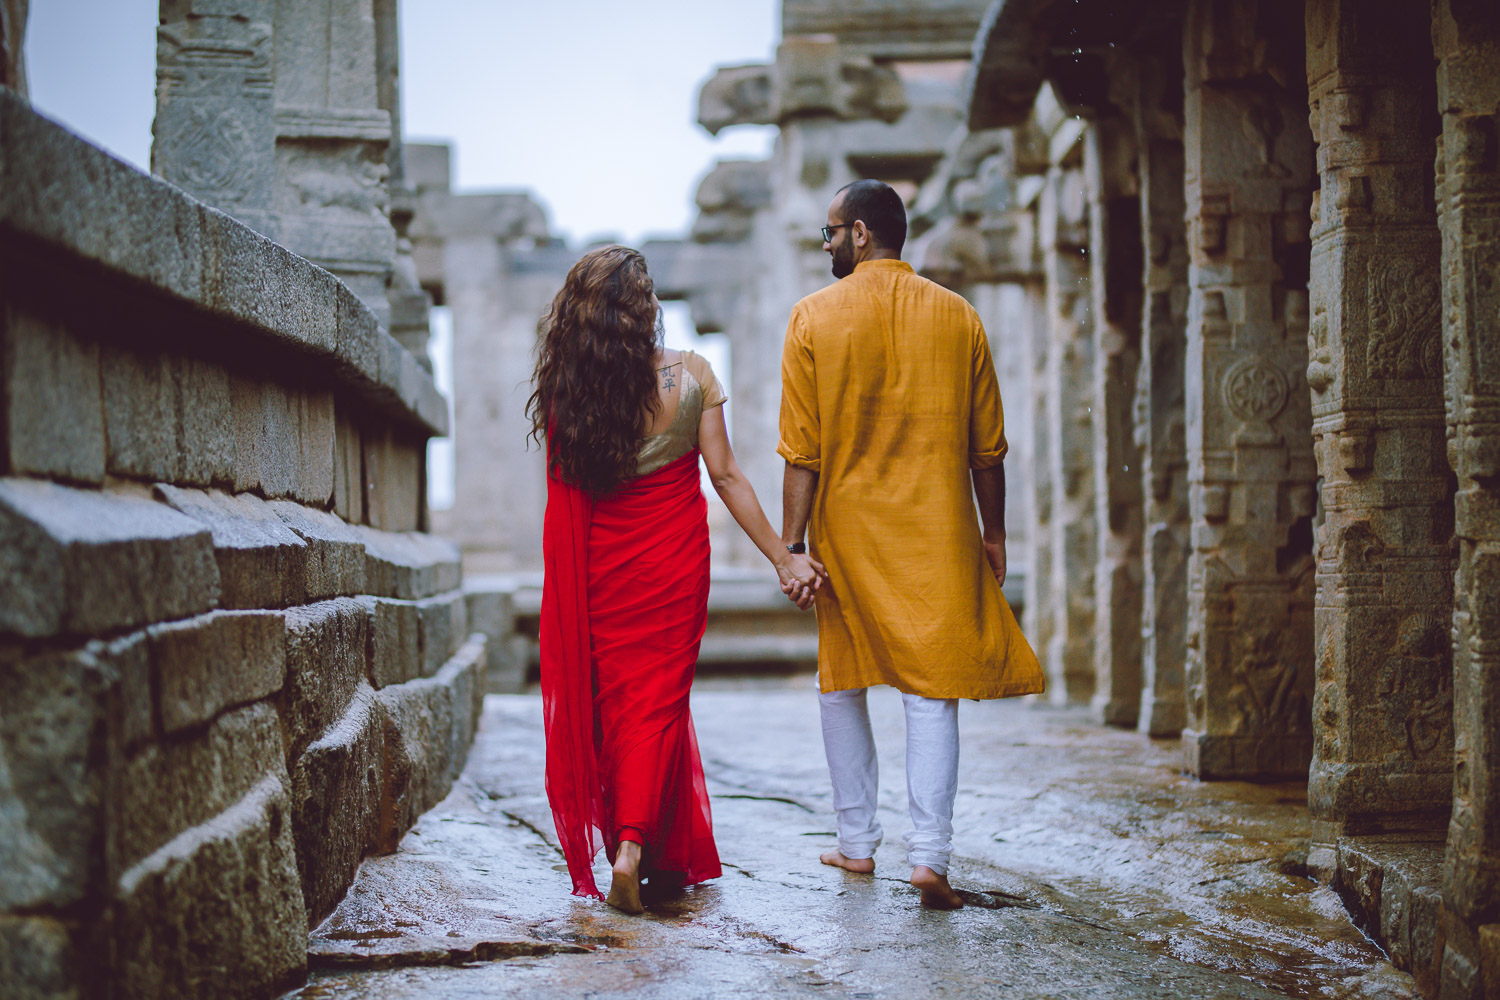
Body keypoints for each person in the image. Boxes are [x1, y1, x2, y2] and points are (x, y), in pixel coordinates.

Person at [529, 245, 824, 915]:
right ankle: (633, 848)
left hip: (602, 569)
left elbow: (567, 500)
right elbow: (725, 477)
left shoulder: (569, 395)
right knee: (657, 704)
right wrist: (785, 556)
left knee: (617, 705)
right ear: (646, 310)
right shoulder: (690, 376)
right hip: (673, 563)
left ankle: (628, 848)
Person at [777, 180, 1045, 909]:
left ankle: (857, 844)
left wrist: (792, 546)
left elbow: (802, 453)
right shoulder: (959, 318)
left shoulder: (812, 318)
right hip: (937, 532)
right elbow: (987, 449)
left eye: (830, 232)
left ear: (861, 233)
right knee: (931, 691)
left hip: (847, 535)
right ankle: (929, 858)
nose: (826, 244)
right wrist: (994, 534)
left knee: (843, 680)